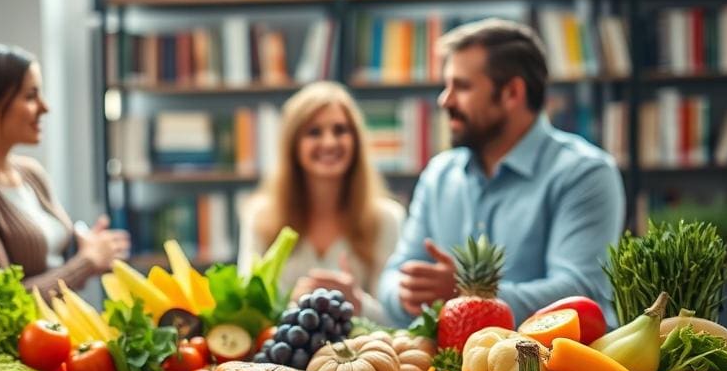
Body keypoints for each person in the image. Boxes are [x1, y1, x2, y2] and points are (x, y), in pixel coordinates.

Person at [377, 18, 625, 328]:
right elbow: (393, 277)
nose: (445, 100)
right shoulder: (439, 175)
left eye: (462, 86)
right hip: (452, 368)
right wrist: (407, 295)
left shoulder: (585, 173)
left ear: (511, 93)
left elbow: (580, 291)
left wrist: (465, 294)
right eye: (447, 85)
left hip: (552, 370)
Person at [0, 42, 130, 295]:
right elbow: (0, 305)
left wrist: (84, 244)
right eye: (30, 97)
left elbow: (51, 256)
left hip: (58, 330)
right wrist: (87, 263)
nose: (44, 107)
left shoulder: (31, 174)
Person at [237, 81, 405, 323]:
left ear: (356, 140)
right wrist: (289, 306)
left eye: (340, 130)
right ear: (293, 144)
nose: (329, 142)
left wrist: (356, 302)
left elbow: (397, 323)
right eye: (314, 132)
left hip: (360, 357)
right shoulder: (260, 216)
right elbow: (247, 312)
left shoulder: (387, 218)